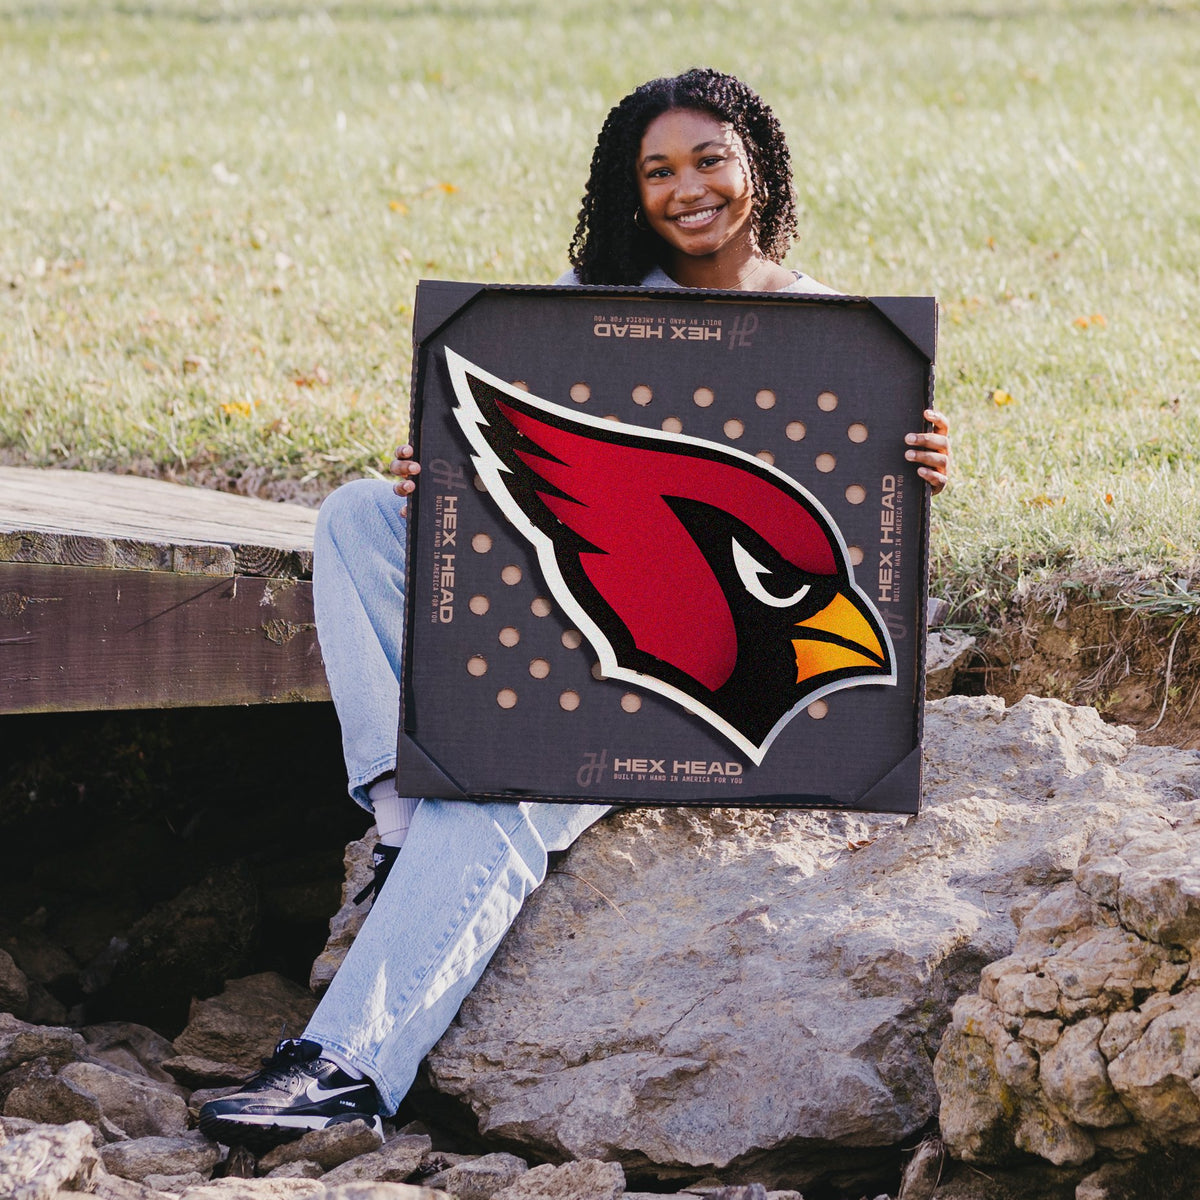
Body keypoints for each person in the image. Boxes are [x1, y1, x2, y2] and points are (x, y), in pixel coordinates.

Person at [199, 67, 950, 1150]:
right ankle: (404, 824)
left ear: (759, 168)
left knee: (500, 798)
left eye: (709, 160)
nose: (688, 189)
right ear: (627, 189)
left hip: (681, 690)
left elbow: (855, 563)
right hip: (560, 630)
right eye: (658, 172)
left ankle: (346, 1071)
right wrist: (441, 470)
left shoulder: (845, 343)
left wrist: (913, 474)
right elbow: (517, 490)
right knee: (360, 513)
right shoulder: (594, 306)